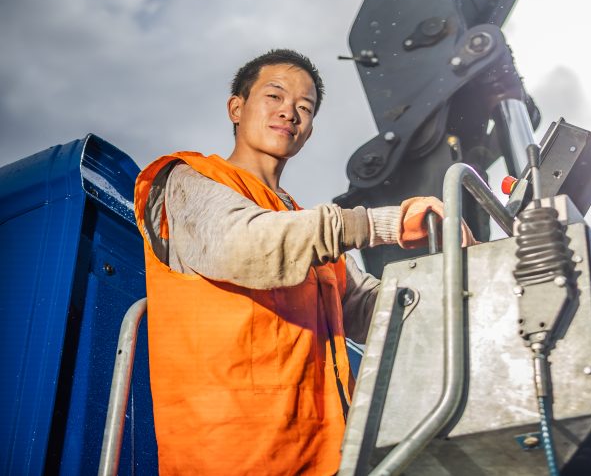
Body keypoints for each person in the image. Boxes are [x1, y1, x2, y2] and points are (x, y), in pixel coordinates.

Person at [133, 48, 469, 474]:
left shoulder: (305, 232)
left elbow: (376, 309)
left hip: (323, 458)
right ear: (237, 108)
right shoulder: (188, 181)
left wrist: (466, 281)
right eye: (274, 96)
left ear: (308, 131)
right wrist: (383, 223)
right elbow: (246, 244)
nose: (289, 111)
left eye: (304, 107)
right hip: (233, 456)